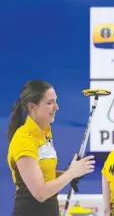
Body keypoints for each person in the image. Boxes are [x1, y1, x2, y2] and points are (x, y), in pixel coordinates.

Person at [7, 80, 95, 216]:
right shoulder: (24, 140)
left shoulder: (46, 133)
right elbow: (40, 193)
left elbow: (46, 176)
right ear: (32, 107)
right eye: (49, 103)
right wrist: (70, 174)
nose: (56, 107)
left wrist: (71, 172)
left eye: (56, 101)